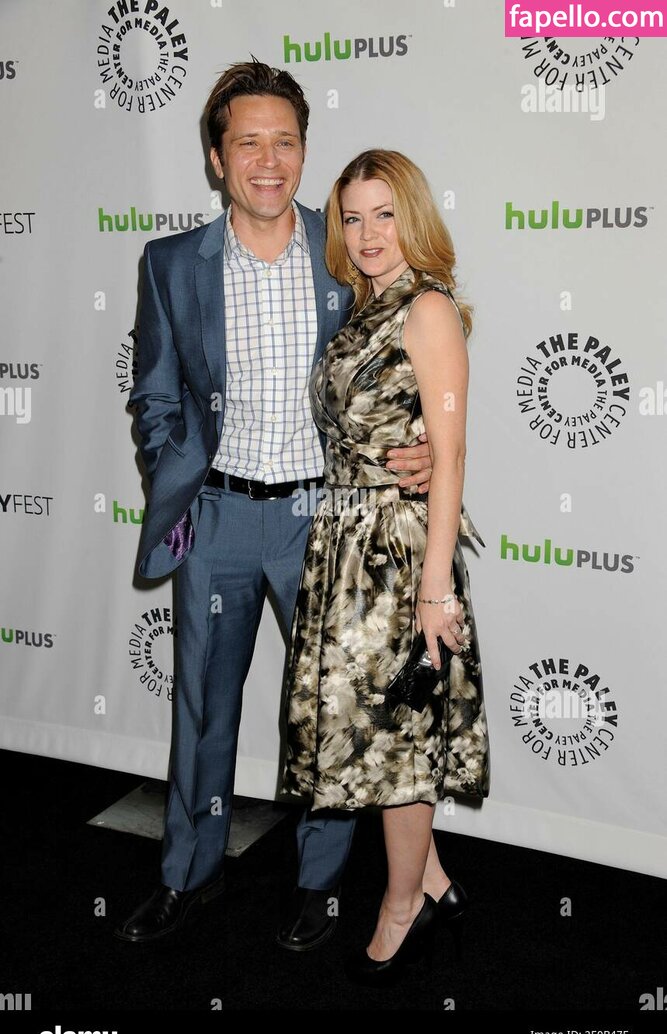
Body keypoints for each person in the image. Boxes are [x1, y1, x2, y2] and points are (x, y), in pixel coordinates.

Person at [115, 63, 433, 948]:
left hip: (322, 521)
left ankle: (320, 885)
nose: (268, 160)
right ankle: (188, 874)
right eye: (247, 142)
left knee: (332, 711)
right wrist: (172, 470)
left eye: (284, 141)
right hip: (216, 516)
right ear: (217, 159)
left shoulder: (347, 248)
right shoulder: (171, 263)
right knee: (200, 711)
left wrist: (415, 441)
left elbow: (406, 350)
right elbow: (154, 392)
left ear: (303, 151)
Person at [280, 149, 490, 985]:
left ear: (413, 217)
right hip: (345, 546)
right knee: (375, 728)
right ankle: (432, 880)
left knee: (396, 740)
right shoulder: (363, 308)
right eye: (353, 217)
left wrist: (434, 590)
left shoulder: (425, 308)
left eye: (385, 215)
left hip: (398, 558)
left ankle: (401, 904)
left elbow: (452, 452)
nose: (368, 234)